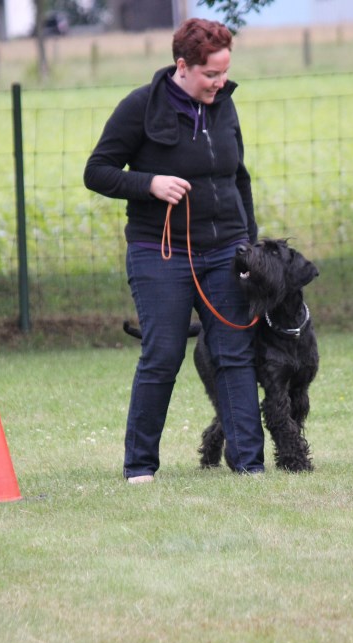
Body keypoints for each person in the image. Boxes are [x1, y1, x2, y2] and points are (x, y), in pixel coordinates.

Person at [84, 18, 264, 483]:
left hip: (225, 249)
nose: (221, 83)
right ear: (182, 66)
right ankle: (139, 467)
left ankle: (249, 464)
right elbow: (98, 171)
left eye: (225, 73)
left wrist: (249, 244)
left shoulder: (225, 106)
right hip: (158, 252)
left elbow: (238, 177)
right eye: (211, 75)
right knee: (163, 353)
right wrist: (149, 184)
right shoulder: (141, 107)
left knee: (234, 352)